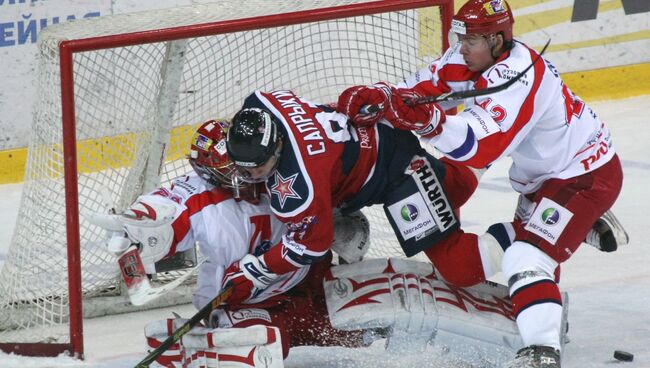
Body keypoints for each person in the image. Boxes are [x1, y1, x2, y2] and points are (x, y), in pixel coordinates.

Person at [335, 0, 625, 366]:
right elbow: (421, 88)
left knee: (528, 259)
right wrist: (382, 97)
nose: (462, 47)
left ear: (498, 40)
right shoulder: (471, 57)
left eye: (471, 39)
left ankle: (542, 353)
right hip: (542, 180)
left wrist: (430, 124)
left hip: (585, 175)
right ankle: (582, 223)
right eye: (461, 37)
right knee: (465, 268)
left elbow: (477, 145)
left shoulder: (518, 77)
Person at [89, 119, 369, 367]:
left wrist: (342, 226)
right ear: (207, 172)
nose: (243, 175)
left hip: (310, 288)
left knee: (364, 339)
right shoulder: (196, 194)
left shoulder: (277, 169)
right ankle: (209, 344)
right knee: (258, 350)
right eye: (230, 170)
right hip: (251, 305)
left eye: (241, 164)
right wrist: (136, 223)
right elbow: (165, 205)